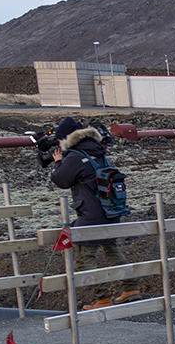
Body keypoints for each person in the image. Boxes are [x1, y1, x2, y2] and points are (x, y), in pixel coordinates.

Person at [48, 117, 137, 308]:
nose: (58, 143)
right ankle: (131, 287)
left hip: (91, 215)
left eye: (59, 140)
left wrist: (58, 163)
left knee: (84, 254)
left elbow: (61, 181)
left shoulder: (74, 156)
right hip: (110, 211)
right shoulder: (97, 151)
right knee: (111, 248)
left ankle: (103, 298)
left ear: (66, 138)